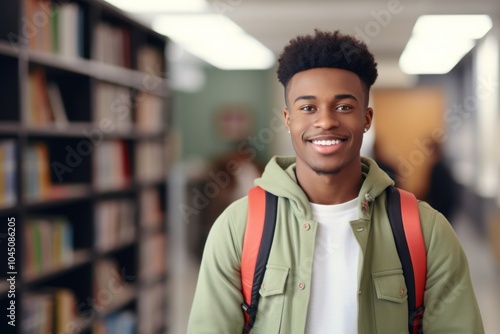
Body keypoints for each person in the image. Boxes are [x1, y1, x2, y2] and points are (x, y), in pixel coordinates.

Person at [187, 30, 484, 333]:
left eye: (343, 107)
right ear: (288, 119)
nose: (326, 121)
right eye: (308, 108)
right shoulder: (239, 227)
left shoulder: (425, 230)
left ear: (366, 118)